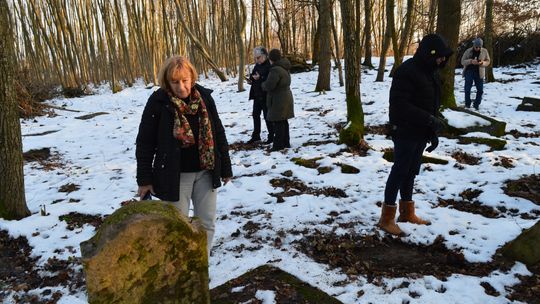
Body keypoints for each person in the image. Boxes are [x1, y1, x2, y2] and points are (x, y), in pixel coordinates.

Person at [135, 56, 233, 254]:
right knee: (176, 226)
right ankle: (180, 269)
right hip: (174, 176)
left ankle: (200, 265)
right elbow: (145, 142)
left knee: (206, 223)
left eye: (185, 80)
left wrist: (226, 168)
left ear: (192, 78)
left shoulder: (204, 98)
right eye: (175, 81)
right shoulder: (158, 102)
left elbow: (218, 132)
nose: (181, 87)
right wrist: (144, 179)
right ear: (167, 82)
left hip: (206, 171)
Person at [379, 34, 453, 236]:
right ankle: (386, 218)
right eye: (439, 57)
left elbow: (431, 103)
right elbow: (400, 105)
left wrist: (432, 130)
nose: (442, 61)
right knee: (400, 171)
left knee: (411, 172)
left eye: (444, 58)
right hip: (404, 129)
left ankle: (406, 213)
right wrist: (429, 120)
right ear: (429, 54)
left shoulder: (431, 72)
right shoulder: (407, 71)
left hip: (420, 131)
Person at [262, 48, 294, 151]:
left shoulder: (275, 70)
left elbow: (269, 85)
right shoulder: (284, 67)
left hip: (278, 99)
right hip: (286, 96)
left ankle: (278, 145)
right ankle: (286, 142)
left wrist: (262, 84)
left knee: (278, 122)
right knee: (283, 121)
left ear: (271, 59)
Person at [246, 46, 273, 144]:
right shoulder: (257, 65)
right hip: (256, 95)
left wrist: (260, 77)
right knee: (255, 115)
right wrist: (251, 79)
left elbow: (270, 80)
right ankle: (256, 135)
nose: (257, 60)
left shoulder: (269, 66)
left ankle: (271, 136)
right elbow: (254, 76)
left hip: (265, 95)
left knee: (267, 116)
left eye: (259, 57)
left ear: (265, 56)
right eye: (256, 58)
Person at [461, 38, 490, 110]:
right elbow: (462, 61)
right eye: (476, 47)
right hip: (469, 72)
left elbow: (488, 61)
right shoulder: (468, 51)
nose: (478, 48)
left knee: (480, 90)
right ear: (473, 45)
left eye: (480, 47)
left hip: (479, 73)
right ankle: (467, 104)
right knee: (467, 89)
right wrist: (471, 61)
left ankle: (476, 104)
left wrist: (482, 63)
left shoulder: (484, 51)